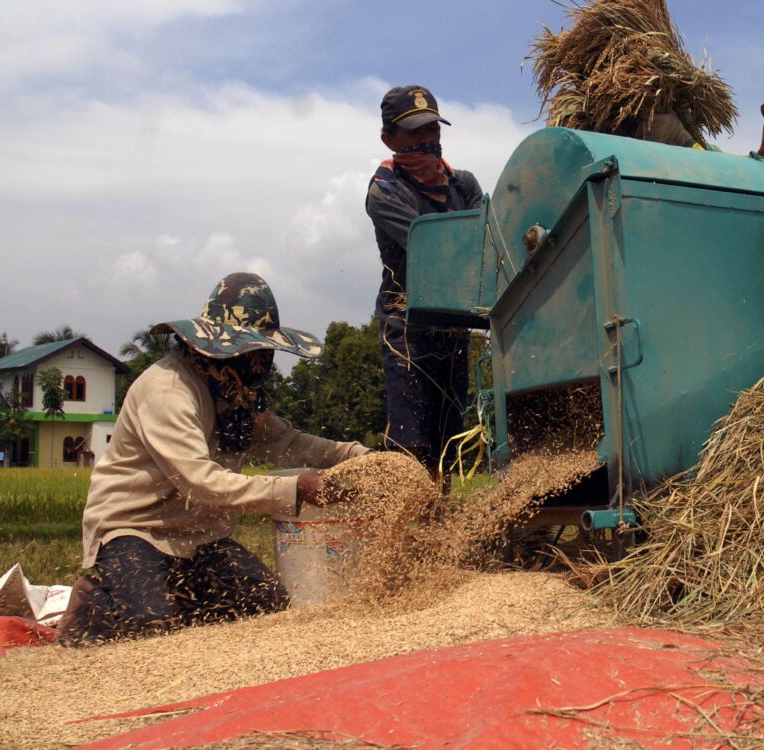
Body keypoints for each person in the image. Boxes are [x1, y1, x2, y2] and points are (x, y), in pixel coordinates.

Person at [57, 272, 369, 644]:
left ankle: (168, 598)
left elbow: (287, 442)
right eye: (251, 352)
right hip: (136, 531)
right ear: (217, 347)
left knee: (265, 603)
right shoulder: (168, 390)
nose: (259, 363)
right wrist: (298, 488)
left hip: (199, 538)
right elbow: (199, 482)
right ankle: (92, 604)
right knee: (150, 627)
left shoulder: (232, 392)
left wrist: (357, 456)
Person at [365, 85, 483, 475]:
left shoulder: (464, 185)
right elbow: (438, 249)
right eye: (415, 132)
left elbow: (490, 239)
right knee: (411, 446)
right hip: (408, 329)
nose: (426, 140)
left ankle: (440, 524)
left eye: (432, 130)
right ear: (389, 139)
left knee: (448, 443)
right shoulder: (385, 191)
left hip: (453, 327)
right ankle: (407, 528)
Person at [636, 77, 764, 190]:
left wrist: (682, 139)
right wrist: (685, 138)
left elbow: (736, 175)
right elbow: (727, 162)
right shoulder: (754, 164)